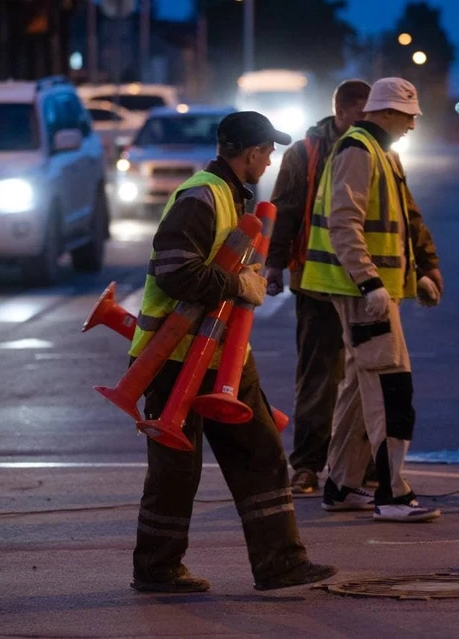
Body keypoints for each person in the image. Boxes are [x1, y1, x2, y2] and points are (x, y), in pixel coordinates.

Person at [128, 111, 337, 593]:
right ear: (249, 153)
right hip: (174, 358)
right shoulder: (203, 195)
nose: (269, 161)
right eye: (267, 152)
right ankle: (157, 570)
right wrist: (238, 283)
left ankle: (280, 563)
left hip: (219, 355)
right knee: (176, 471)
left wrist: (245, 281)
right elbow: (174, 270)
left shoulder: (229, 196)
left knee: (260, 454)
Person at [300, 77, 443, 522]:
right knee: (390, 387)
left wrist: (412, 277)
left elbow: (391, 227)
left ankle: (342, 484)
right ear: (386, 113)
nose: (412, 126)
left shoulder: (378, 152)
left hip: (367, 291)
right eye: (408, 116)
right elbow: (346, 224)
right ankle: (393, 495)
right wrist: (370, 284)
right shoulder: (360, 151)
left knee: (361, 391)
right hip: (363, 294)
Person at [265, 79, 374, 496]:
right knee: (318, 376)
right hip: (315, 281)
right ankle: (308, 466)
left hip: (365, 283)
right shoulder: (305, 151)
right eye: (362, 114)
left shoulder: (377, 151)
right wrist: (274, 265)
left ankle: (358, 466)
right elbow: (285, 209)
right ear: (342, 110)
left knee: (368, 377)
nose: (368, 123)